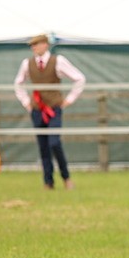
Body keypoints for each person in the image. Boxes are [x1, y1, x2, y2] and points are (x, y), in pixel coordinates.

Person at [14, 34, 86, 190]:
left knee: (54, 142)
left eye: (37, 44)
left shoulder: (57, 61)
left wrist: (69, 99)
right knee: (43, 146)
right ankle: (48, 182)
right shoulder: (28, 64)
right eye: (32, 46)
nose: (34, 48)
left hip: (53, 109)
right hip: (37, 109)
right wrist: (26, 102)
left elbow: (79, 78)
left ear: (45, 45)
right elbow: (18, 83)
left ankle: (66, 177)